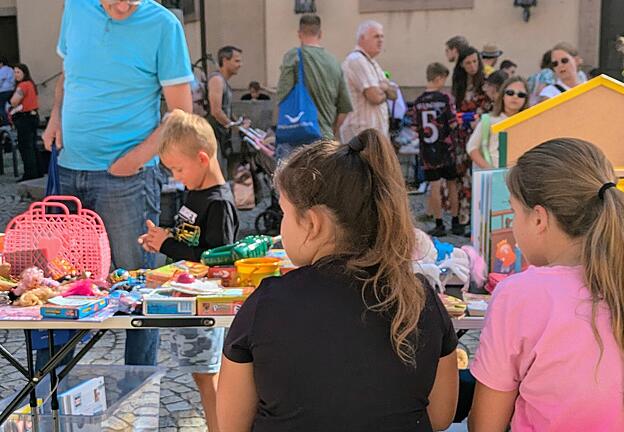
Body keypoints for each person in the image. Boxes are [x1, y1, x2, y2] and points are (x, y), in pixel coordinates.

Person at [217, 129, 459, 431]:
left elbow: (230, 425)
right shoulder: (419, 296)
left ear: (313, 223)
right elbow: (440, 416)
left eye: (285, 213)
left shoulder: (267, 302)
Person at [468, 138, 624, 431]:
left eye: (513, 212)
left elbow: (485, 425)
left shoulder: (520, 294)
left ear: (539, 219)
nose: (512, 224)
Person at [43, 0, 194, 366]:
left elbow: (181, 112)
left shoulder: (163, 25)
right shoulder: (76, 9)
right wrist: (55, 116)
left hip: (127, 180)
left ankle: (138, 388)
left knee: (137, 287)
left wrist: (135, 160)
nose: (123, 5)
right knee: (62, 282)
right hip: (68, 168)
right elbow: (69, 73)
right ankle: (58, 384)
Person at [139, 110, 237, 432]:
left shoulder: (219, 202)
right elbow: (188, 238)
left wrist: (169, 245)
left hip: (207, 304)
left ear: (202, 158)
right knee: (201, 374)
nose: (177, 176)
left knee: (210, 377)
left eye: (179, 169)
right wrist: (163, 237)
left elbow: (214, 260)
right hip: (189, 298)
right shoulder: (195, 191)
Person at [276, 14, 352, 158]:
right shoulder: (334, 62)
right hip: (325, 139)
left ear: (299, 34)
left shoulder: (294, 56)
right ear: (320, 34)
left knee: (293, 180)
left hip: (298, 137)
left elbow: (282, 97)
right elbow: (344, 109)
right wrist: (331, 131)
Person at [414, 63, 459, 237]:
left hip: (427, 152)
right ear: (439, 78)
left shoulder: (418, 102)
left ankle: (439, 223)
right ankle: (455, 221)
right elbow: (453, 123)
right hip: (446, 150)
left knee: (434, 186)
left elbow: (414, 127)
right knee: (452, 184)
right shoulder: (445, 99)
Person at [340, 20, 396, 144]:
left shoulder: (372, 62)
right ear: (362, 38)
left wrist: (384, 88)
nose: (380, 40)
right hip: (361, 136)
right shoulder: (357, 60)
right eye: (376, 36)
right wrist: (385, 88)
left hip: (374, 136)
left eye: (382, 36)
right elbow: (374, 97)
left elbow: (394, 94)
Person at [452, 46, 489, 234]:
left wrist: (475, 117)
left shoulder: (484, 82)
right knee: (462, 176)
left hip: (478, 133)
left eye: (475, 61)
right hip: (461, 134)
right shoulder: (459, 84)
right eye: (468, 63)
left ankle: (477, 218)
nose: (473, 66)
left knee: (476, 174)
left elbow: (488, 107)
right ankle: (463, 217)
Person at [467, 76, 528, 169]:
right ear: (502, 95)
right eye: (510, 93)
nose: (515, 97)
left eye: (521, 95)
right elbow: (472, 147)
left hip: (520, 177)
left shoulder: (529, 122)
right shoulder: (490, 120)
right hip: (495, 177)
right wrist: (490, 170)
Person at [207, 45, 244, 178]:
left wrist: (238, 123)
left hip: (221, 136)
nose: (240, 65)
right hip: (212, 135)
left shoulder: (224, 81)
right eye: (237, 61)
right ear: (225, 60)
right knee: (217, 175)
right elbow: (216, 111)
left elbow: (225, 109)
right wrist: (232, 125)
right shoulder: (216, 80)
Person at [8, 64, 41, 182]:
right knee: (32, 145)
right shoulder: (31, 84)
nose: (15, 75)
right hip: (33, 115)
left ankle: (30, 173)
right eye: (14, 72)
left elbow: (14, 102)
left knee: (25, 147)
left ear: (24, 73)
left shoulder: (22, 85)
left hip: (24, 118)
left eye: (18, 72)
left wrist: (10, 100)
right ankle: (38, 171)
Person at [0, 56, 14, 126]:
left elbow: (0, 80)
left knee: (1, 107)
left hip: (3, 91)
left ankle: (6, 123)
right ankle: (12, 120)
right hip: (11, 90)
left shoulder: (2, 70)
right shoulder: (11, 69)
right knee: (9, 107)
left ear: (1, 63)